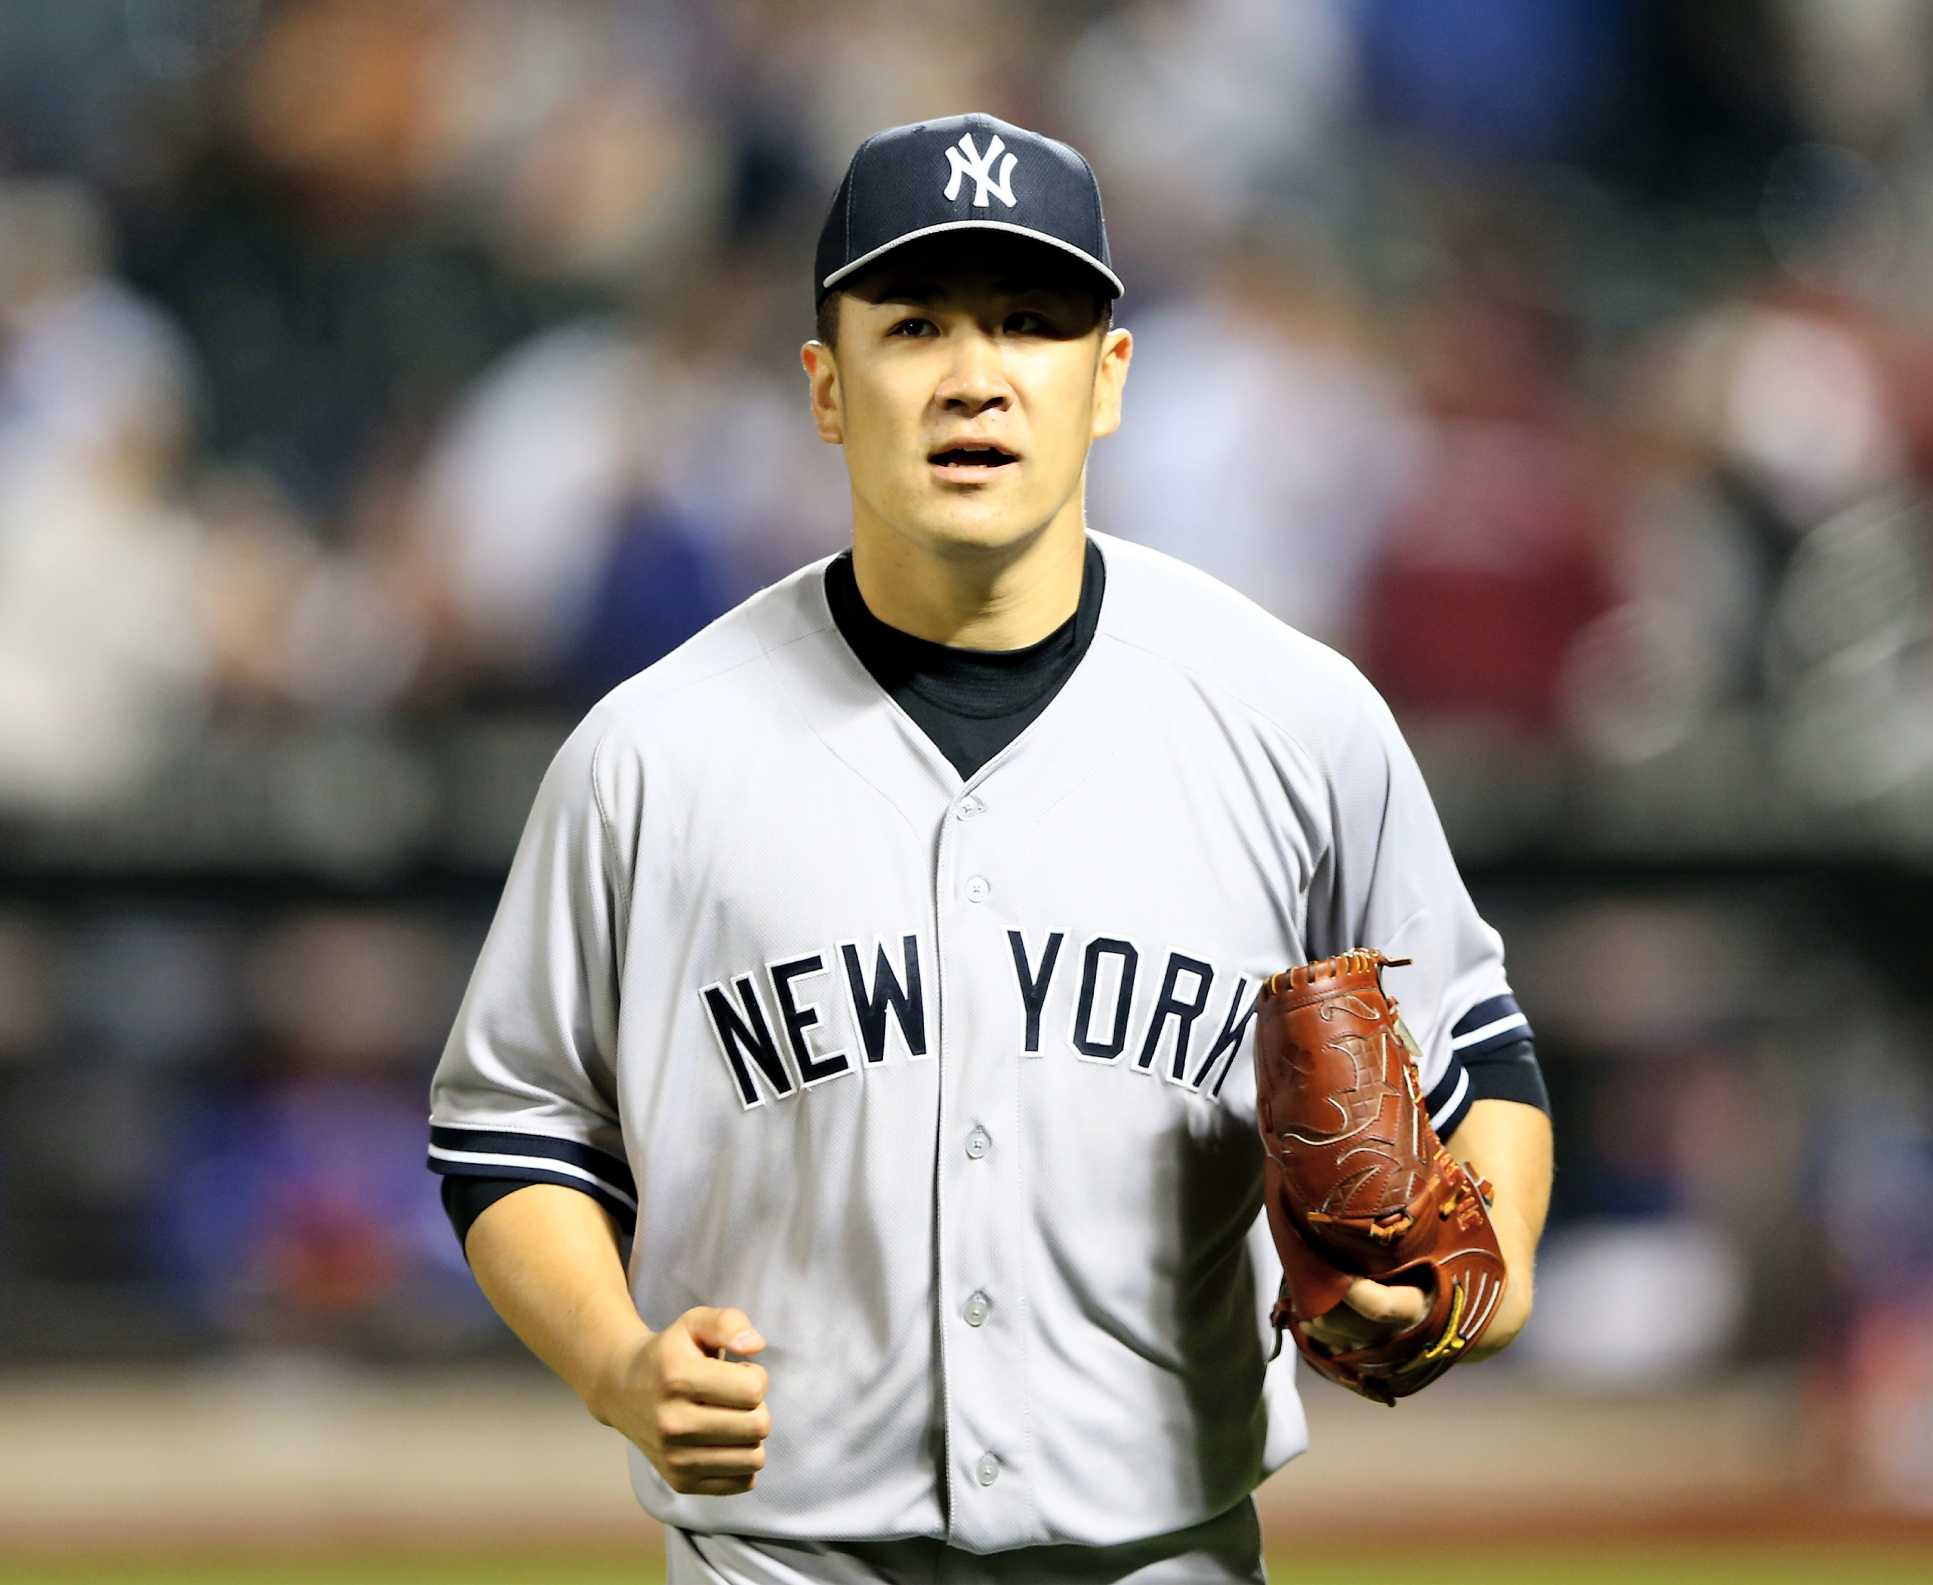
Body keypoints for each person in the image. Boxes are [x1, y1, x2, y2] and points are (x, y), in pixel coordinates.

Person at [428, 112, 1554, 1585]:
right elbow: (513, 1127)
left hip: (1166, 1553)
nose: (974, 378)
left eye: (1031, 324)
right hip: (780, 1560)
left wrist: (1484, 1283)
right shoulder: (654, 753)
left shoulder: (1292, 716)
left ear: (1110, 379)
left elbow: (1480, 1062)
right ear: (827, 388)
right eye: (915, 327)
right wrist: (616, 1361)